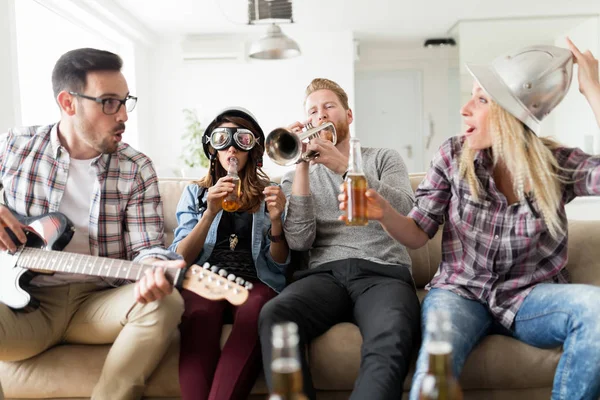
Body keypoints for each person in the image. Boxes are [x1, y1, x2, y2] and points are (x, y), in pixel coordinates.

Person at [339, 40, 600, 400]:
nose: (464, 110)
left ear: (512, 113)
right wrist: (383, 212)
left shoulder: (554, 164)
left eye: (481, 100)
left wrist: (594, 92)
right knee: (435, 362)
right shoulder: (452, 155)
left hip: (529, 297)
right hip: (459, 294)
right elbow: (417, 235)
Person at [0, 48, 185, 400]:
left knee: (166, 302)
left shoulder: (137, 167)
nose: (123, 116)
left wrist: (154, 271)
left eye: (125, 101)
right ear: (68, 103)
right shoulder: (15, 147)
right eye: (108, 102)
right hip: (23, 305)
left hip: (97, 303)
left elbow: (147, 246)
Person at [258, 78, 421, 400]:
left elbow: (405, 209)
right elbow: (301, 241)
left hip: (382, 271)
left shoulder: (382, 158)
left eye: (328, 106)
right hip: (325, 274)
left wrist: (347, 167)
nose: (320, 116)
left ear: (348, 115)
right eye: (312, 111)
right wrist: (302, 166)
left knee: (393, 332)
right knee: (275, 314)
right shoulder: (294, 177)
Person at [170, 107, 290, 400]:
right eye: (224, 139)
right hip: (204, 279)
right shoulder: (195, 194)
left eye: (242, 140)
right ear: (213, 149)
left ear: (253, 150)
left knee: (257, 311)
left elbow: (281, 262)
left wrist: (276, 220)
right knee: (198, 313)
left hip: (255, 281)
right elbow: (179, 258)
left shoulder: (270, 192)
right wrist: (209, 213)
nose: (232, 148)